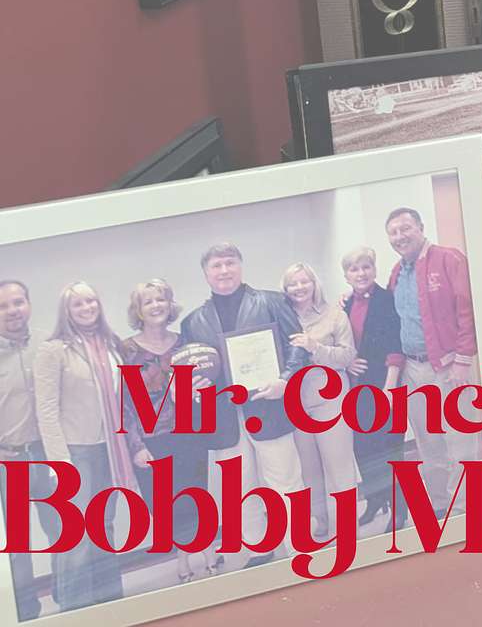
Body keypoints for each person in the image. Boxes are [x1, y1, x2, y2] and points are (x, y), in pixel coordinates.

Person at [180, 242, 305, 566]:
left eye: (230, 263)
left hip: (268, 406)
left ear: (240, 265)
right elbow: (189, 371)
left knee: (285, 481)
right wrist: (194, 385)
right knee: (239, 489)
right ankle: (259, 549)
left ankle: (297, 546)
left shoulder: (273, 302)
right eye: (216, 265)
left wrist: (285, 380)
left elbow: (299, 346)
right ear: (206, 273)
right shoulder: (192, 322)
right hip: (224, 416)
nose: (224, 270)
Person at [33, 283, 134, 610]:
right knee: (77, 532)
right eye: (78, 304)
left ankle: (109, 601)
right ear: (67, 311)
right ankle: (75, 609)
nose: (87, 307)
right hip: (75, 452)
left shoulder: (111, 344)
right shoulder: (53, 350)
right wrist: (60, 462)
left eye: (91, 301)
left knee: (104, 527)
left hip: (109, 449)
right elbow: (46, 410)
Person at [384, 206, 482, 512]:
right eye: (393, 232)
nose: (400, 236)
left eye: (405, 229)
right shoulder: (396, 273)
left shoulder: (449, 259)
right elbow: (391, 321)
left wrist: (463, 361)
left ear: (421, 228)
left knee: (461, 442)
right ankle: (441, 505)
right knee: (428, 443)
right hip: (412, 370)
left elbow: (468, 310)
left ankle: (464, 508)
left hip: (449, 366)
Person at [120, 278, 219, 582]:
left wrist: (201, 389)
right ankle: (182, 556)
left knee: (197, 495)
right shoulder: (126, 350)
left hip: (189, 433)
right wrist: (136, 446)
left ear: (170, 304)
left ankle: (208, 551)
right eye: (148, 301)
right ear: (138, 310)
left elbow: (205, 386)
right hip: (152, 440)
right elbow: (123, 404)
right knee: (165, 505)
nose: (156, 306)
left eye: (161, 299)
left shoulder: (185, 343)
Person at [281, 263, 360, 536]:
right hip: (296, 401)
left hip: (331, 398)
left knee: (339, 466)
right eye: (292, 283)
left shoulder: (335, 315)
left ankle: (346, 526)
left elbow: (347, 356)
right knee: (309, 470)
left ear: (314, 284)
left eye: (305, 281)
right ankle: (321, 520)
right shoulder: (281, 317)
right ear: (285, 289)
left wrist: (315, 347)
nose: (299, 288)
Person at [0, 280, 60, 621]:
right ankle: (26, 613)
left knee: (63, 532)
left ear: (29, 304)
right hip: (9, 461)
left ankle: (69, 598)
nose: (12, 310)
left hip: (48, 455)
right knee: (17, 544)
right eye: (3, 305)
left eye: (18, 302)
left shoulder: (48, 344)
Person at [339, 247, 404, 527]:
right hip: (358, 390)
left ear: (374, 270)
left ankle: (400, 509)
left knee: (391, 449)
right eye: (354, 269)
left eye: (366, 267)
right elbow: (344, 346)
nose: (361, 273)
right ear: (346, 275)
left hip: (386, 383)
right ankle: (376, 500)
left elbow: (395, 345)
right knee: (364, 449)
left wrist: (389, 389)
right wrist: (348, 363)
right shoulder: (344, 305)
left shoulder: (387, 300)